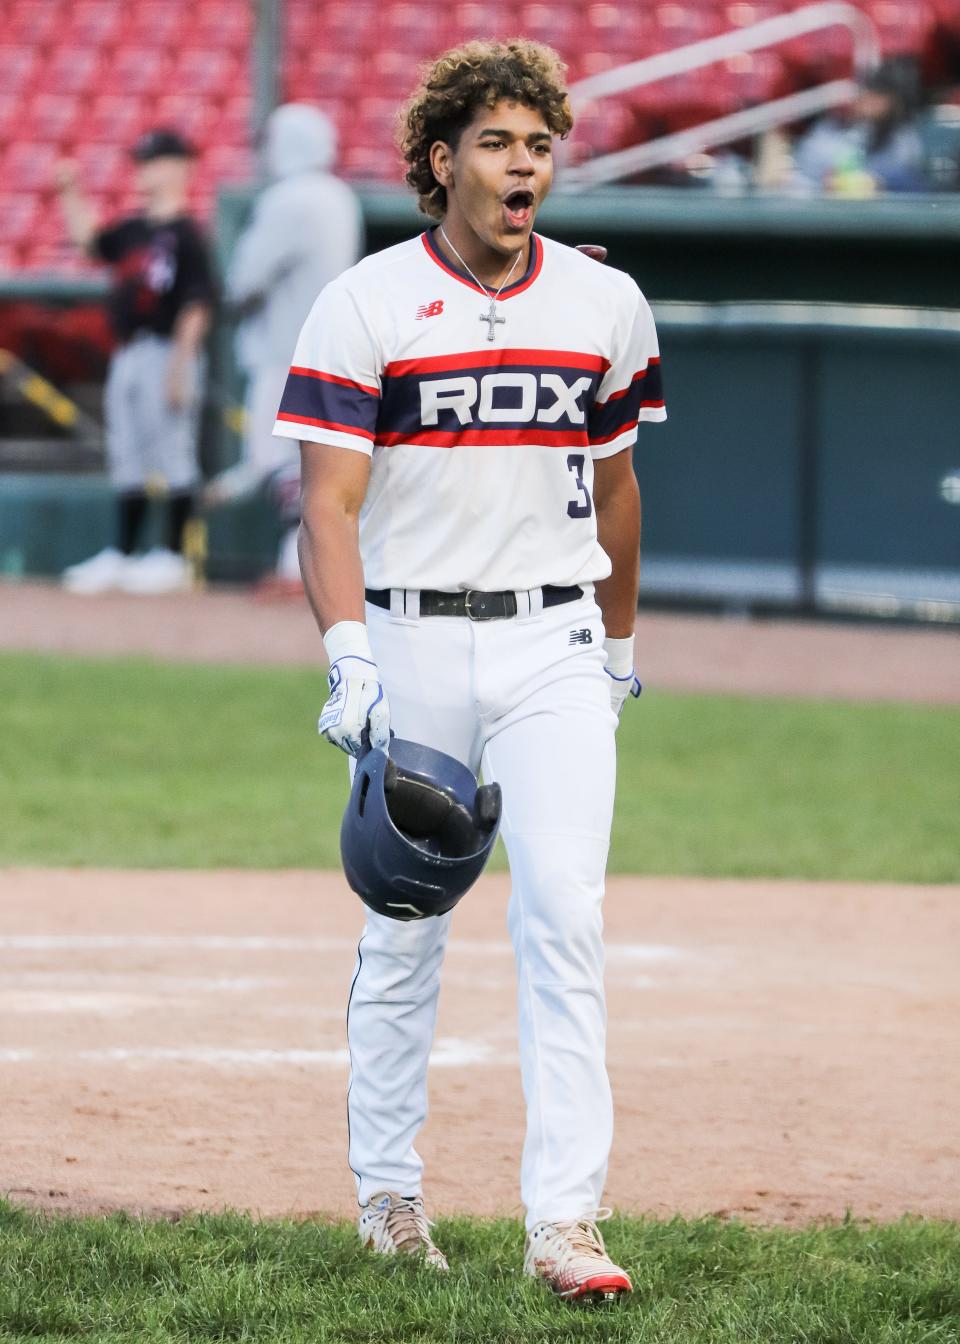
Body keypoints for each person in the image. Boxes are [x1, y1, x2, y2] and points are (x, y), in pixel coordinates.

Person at [274, 40, 665, 1301]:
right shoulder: (368, 300)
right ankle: (390, 1198)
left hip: (554, 641)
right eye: (497, 143)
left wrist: (616, 646)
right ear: (441, 162)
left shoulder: (607, 302)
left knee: (567, 918)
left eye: (539, 145)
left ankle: (567, 1223)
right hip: (414, 639)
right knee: (406, 927)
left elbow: (615, 487)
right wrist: (350, 657)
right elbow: (325, 506)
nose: (524, 165)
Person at [207, 103, 363, 596]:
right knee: (310, 459)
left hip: (283, 347)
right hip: (329, 346)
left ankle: (298, 567)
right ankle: (301, 563)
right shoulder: (339, 195)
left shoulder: (290, 198)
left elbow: (243, 279)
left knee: (279, 461)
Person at [57, 129, 216, 594]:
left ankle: (172, 556)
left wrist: (181, 365)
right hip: (129, 351)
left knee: (173, 451)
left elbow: (197, 303)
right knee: (127, 453)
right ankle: (125, 554)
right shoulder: (134, 229)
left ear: (176, 166)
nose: (144, 171)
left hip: (168, 349)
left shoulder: (188, 233)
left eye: (152, 162)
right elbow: (90, 245)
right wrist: (70, 193)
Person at [793, 59, 929, 195]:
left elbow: (906, 176)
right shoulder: (829, 128)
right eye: (867, 93)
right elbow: (808, 170)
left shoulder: (903, 137)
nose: (869, 102)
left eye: (878, 97)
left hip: (879, 210)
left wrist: (875, 181)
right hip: (825, 206)